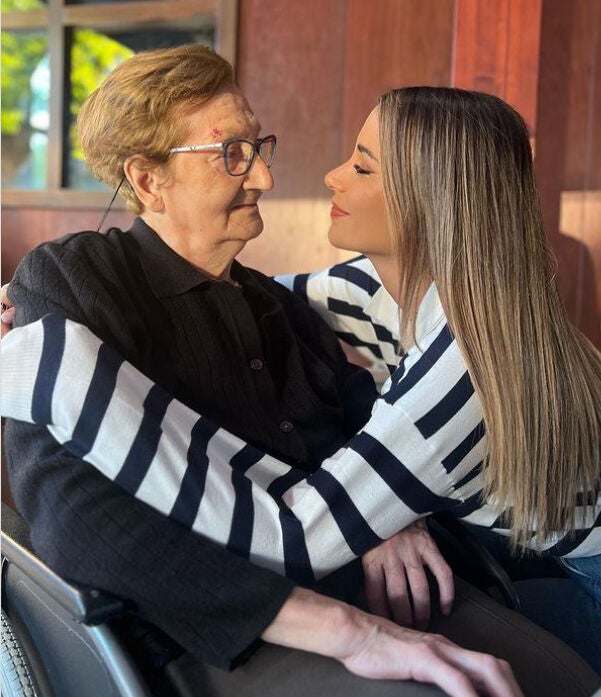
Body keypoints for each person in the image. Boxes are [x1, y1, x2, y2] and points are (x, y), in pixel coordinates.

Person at [1, 49, 599, 694]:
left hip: (423, 577)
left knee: (544, 675)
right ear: (147, 182)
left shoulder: (293, 309)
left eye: (259, 147)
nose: (264, 176)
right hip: (205, 628)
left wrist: (393, 518)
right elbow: (77, 517)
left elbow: (359, 434)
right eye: (232, 153)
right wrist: (347, 621)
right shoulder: (78, 279)